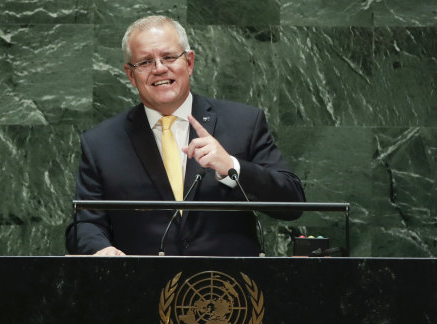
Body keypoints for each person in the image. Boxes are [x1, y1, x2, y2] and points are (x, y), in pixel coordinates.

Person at [65, 15, 305, 256]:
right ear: (130, 75)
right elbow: (85, 223)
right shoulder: (100, 143)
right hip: (141, 286)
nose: (159, 69)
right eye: (146, 62)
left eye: (169, 57)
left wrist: (231, 167)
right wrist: (101, 249)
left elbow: (292, 203)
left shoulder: (244, 123)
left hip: (229, 287)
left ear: (189, 62)